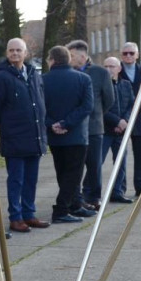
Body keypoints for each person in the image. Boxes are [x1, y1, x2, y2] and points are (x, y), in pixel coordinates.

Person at [0, 38, 49, 234]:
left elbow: (40, 101)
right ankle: (15, 217)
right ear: (7, 53)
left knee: (31, 179)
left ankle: (29, 213)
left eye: (18, 50)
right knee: (16, 180)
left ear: (26, 53)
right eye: (11, 50)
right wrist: (8, 126)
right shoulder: (0, 78)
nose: (15, 54)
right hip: (14, 139)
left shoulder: (33, 74)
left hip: (35, 138)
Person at [43, 46, 93, 224]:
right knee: (73, 174)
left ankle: (73, 205)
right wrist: (67, 123)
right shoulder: (83, 79)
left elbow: (41, 108)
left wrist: (53, 124)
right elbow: (86, 107)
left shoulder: (43, 80)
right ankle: (61, 209)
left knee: (62, 172)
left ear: (52, 60)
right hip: (76, 135)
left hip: (55, 136)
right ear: (68, 59)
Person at [67, 40, 113, 212]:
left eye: (72, 56)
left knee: (94, 165)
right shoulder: (69, 73)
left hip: (94, 127)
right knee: (76, 166)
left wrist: (97, 113)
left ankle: (93, 197)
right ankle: (77, 199)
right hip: (75, 128)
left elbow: (109, 99)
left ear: (83, 56)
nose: (69, 59)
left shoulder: (100, 72)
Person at [119, 42, 141, 199]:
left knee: (140, 155)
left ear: (137, 54)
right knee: (120, 156)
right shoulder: (116, 70)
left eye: (131, 53)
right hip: (121, 119)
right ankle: (119, 190)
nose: (128, 56)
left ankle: (140, 187)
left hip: (139, 119)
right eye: (125, 53)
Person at [102, 57, 136, 203]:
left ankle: (117, 192)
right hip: (105, 130)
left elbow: (131, 105)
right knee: (97, 163)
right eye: (106, 66)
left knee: (121, 163)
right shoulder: (101, 86)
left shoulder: (126, 85)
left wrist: (125, 121)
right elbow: (101, 108)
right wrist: (117, 121)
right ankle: (90, 194)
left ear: (119, 68)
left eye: (112, 66)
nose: (109, 69)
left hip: (122, 131)